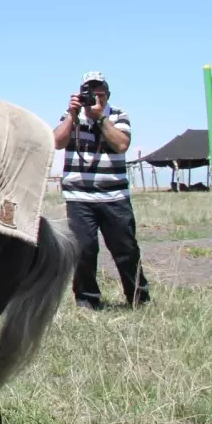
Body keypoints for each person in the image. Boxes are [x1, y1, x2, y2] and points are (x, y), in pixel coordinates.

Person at [54, 71, 149, 309]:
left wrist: (100, 119)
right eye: (90, 92)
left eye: (100, 93)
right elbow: (56, 141)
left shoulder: (117, 115)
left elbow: (121, 145)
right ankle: (87, 300)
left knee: (126, 249)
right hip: (79, 197)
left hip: (114, 196)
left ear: (108, 94)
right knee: (84, 250)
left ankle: (139, 298)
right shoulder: (71, 116)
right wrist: (72, 115)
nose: (95, 98)